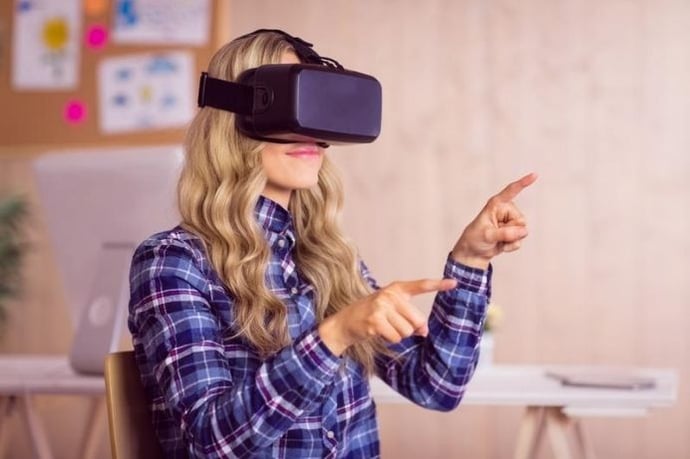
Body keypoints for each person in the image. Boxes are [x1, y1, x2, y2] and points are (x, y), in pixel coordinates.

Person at [128, 29, 536, 459]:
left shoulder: (329, 258)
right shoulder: (174, 262)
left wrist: (469, 261)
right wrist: (334, 335)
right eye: (292, 102)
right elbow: (212, 440)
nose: (309, 128)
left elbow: (437, 385)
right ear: (233, 117)